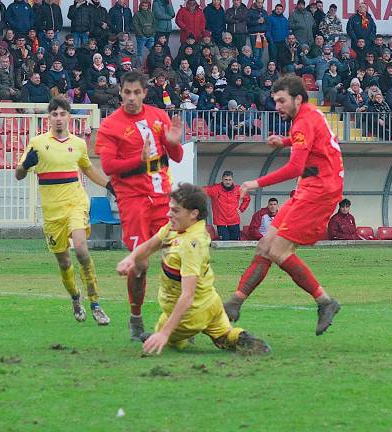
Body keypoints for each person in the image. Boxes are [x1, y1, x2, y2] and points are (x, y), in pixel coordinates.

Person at [222, 74, 343, 335]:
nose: (276, 107)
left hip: (320, 189)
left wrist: (256, 183)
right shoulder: (309, 115)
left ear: (298, 99)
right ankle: (235, 303)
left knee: (278, 251)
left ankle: (325, 301)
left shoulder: (301, 123)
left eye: (281, 101)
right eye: (275, 101)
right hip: (313, 185)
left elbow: (295, 167)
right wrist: (285, 141)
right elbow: (316, 140)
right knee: (265, 246)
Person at [115, 183, 271, 355]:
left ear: (193, 213)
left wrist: (165, 334)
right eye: (170, 209)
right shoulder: (177, 227)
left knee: (164, 331)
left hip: (190, 313)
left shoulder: (191, 244)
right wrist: (130, 259)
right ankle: (237, 337)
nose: (168, 214)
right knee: (223, 336)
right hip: (211, 303)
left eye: (175, 210)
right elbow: (151, 245)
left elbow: (187, 295)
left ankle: (178, 337)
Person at [96, 70, 184, 341]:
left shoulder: (159, 115)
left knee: (177, 257)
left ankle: (179, 321)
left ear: (145, 93)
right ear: (120, 93)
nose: (131, 98)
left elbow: (177, 157)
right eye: (127, 93)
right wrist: (139, 159)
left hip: (162, 198)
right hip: (132, 199)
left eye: (137, 93)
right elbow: (109, 166)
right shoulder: (110, 125)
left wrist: (173, 143)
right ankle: (136, 318)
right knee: (140, 265)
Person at [14, 97, 112, 325]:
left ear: (69, 117)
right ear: (49, 118)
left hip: (75, 204)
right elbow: (18, 175)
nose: (58, 119)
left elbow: (88, 169)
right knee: (65, 262)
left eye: (62, 114)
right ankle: (76, 298)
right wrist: (25, 165)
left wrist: (109, 185)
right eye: (54, 115)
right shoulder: (37, 143)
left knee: (81, 249)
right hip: (52, 213)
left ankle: (96, 303)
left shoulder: (78, 144)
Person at [203, 170, 250, 240]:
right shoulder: (216, 189)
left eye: (229, 180)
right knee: (224, 244)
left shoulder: (238, 189)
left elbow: (247, 199)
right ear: (222, 180)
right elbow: (202, 190)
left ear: (232, 180)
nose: (228, 182)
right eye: (226, 180)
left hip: (234, 221)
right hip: (221, 222)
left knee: (235, 244)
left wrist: (241, 209)